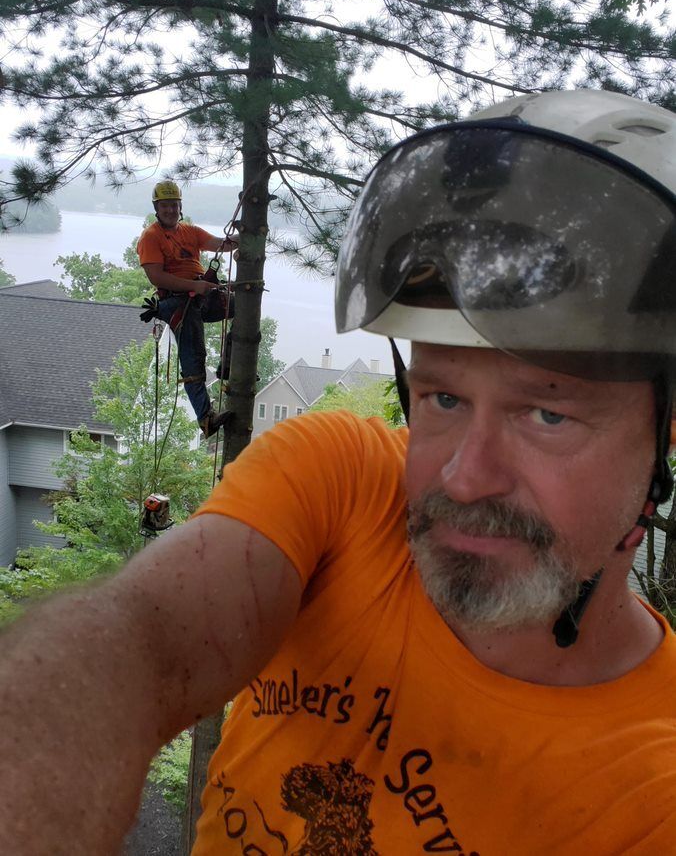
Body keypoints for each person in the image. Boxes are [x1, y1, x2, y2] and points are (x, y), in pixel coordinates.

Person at [2, 89, 676, 855]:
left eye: (547, 414)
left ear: (664, 436)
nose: (463, 477)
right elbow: (135, 641)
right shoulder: (341, 482)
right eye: (443, 397)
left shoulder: (652, 796)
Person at [137, 179, 238, 437]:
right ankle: (206, 419)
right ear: (157, 208)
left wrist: (244, 235)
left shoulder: (190, 232)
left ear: (180, 206)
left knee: (241, 304)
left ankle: (229, 362)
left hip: (199, 295)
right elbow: (157, 277)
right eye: (165, 206)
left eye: (174, 205)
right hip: (176, 301)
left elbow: (220, 245)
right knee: (194, 358)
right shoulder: (151, 237)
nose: (170, 210)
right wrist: (194, 285)